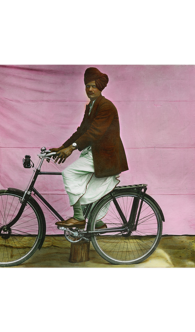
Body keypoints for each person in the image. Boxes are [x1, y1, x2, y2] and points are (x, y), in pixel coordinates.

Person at [49, 67, 129, 229]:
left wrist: (71, 148)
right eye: (87, 86)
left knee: (69, 173)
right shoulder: (92, 105)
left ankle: (78, 217)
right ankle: (96, 222)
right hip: (95, 154)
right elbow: (82, 130)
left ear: (100, 87)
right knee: (85, 188)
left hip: (106, 157)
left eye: (93, 86)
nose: (90, 89)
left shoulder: (106, 106)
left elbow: (94, 132)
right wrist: (62, 147)